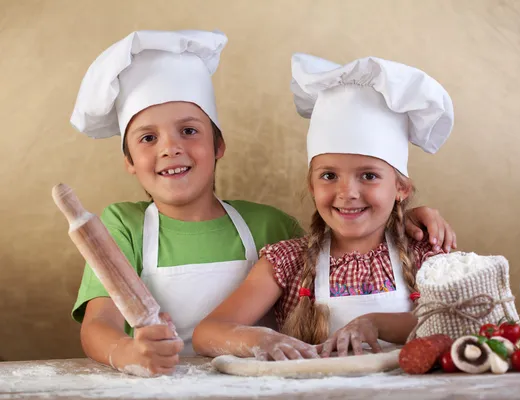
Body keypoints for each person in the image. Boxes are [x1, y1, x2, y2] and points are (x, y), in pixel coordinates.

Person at [69, 31, 455, 376]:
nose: (171, 148)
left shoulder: (270, 225)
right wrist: (126, 352)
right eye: (147, 138)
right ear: (129, 160)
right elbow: (99, 322)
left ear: (218, 146)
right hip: (158, 381)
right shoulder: (122, 224)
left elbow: (342, 244)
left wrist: (404, 222)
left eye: (189, 131)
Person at [193, 53, 455, 361]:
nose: (347, 193)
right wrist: (262, 340)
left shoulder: (426, 256)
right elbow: (208, 332)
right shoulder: (288, 263)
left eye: (368, 175)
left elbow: (460, 326)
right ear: (312, 186)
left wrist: (376, 324)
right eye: (329, 176)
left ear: (400, 188)